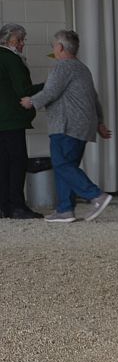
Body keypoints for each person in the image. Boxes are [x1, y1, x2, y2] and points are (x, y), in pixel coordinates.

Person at [20, 30, 113, 223]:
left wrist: (31, 101)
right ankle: (65, 210)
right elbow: (94, 98)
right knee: (67, 167)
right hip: (83, 126)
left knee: (61, 164)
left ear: (60, 47)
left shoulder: (62, 66)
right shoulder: (82, 68)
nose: (53, 49)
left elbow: (50, 92)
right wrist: (100, 122)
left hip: (66, 125)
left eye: (54, 45)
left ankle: (96, 195)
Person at [0, 24, 43, 219]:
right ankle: (17, 206)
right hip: (11, 119)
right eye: (19, 40)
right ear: (7, 40)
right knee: (17, 162)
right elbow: (23, 90)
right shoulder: (11, 59)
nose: (22, 44)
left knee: (3, 164)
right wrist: (49, 85)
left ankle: (3, 207)